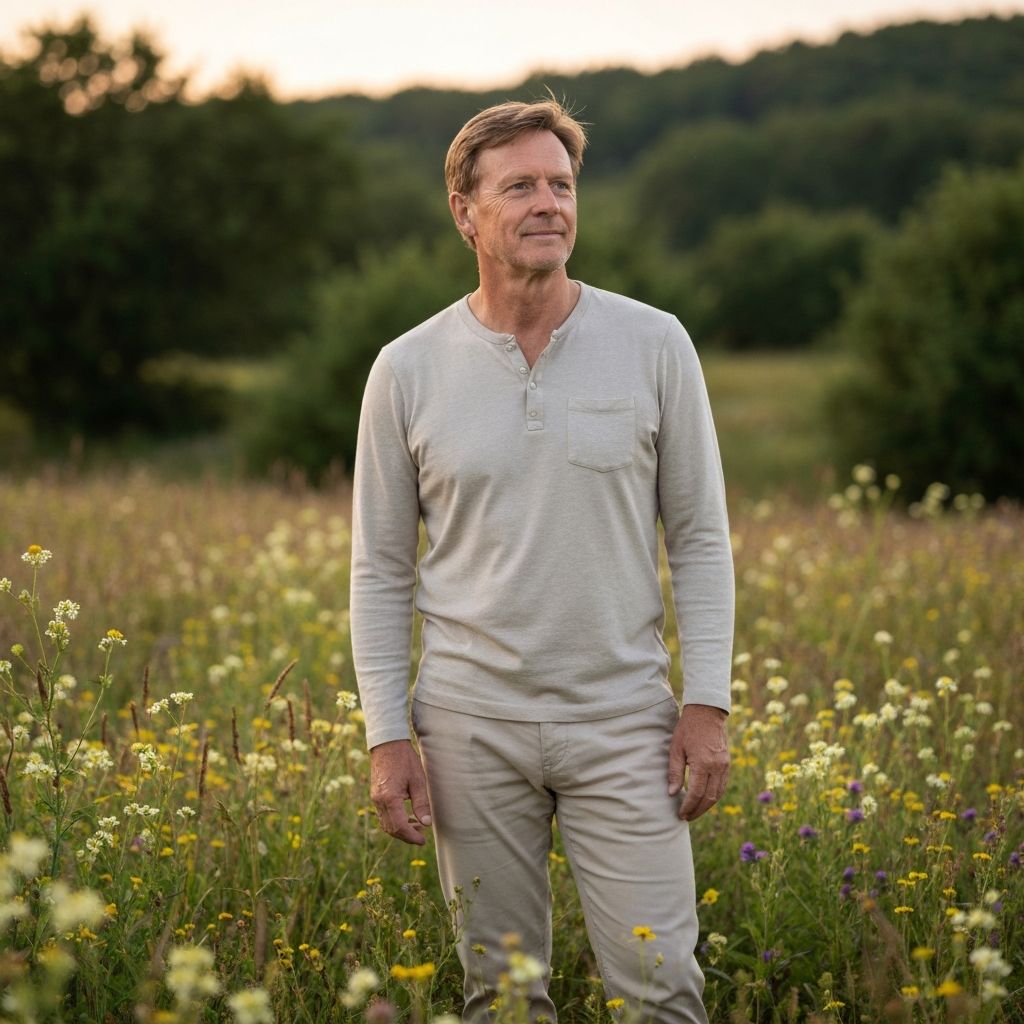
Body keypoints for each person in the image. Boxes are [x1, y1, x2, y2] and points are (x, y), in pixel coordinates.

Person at [349, 98, 735, 1024]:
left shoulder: (654, 343)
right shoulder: (405, 370)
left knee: (663, 993)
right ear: (463, 210)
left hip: (623, 723)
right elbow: (379, 570)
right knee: (505, 999)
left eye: (561, 185)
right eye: (518, 185)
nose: (547, 203)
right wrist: (386, 735)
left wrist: (707, 705)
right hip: (468, 729)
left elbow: (700, 538)